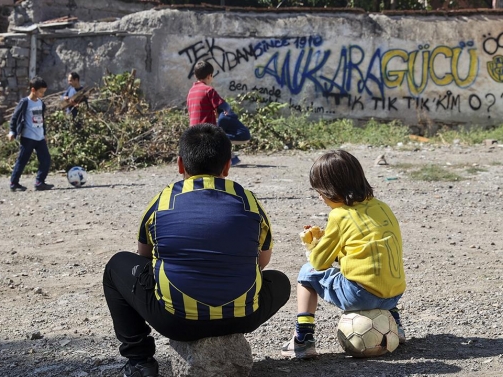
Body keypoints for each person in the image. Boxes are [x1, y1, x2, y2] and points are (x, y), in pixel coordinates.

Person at [103, 124, 290, 377]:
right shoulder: (248, 200)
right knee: (281, 281)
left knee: (117, 266)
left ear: (180, 164)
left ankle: (140, 361)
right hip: (243, 316)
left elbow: (144, 255)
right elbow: (263, 262)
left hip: (175, 322)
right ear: (227, 166)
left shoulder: (163, 200)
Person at [281, 150, 406, 359]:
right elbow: (365, 250)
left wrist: (313, 244)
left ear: (332, 190)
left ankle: (303, 339)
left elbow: (319, 262)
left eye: (320, 193)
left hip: (361, 296)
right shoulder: (382, 207)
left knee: (306, 273)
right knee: (380, 269)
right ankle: (396, 327)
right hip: (394, 293)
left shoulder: (339, 215)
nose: (320, 198)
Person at [186, 60, 245, 166]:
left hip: (193, 130)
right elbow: (224, 106)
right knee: (221, 137)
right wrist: (229, 114)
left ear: (195, 75)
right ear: (209, 76)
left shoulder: (191, 91)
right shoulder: (209, 90)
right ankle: (230, 159)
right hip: (207, 130)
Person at [7, 77, 54, 192]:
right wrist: (12, 131)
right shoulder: (25, 102)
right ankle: (14, 182)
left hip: (40, 137)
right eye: (40, 92)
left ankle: (40, 182)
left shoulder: (41, 103)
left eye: (44, 92)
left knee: (46, 159)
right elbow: (14, 117)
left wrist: (44, 133)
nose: (42, 94)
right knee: (22, 160)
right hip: (28, 137)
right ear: (33, 90)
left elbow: (42, 119)